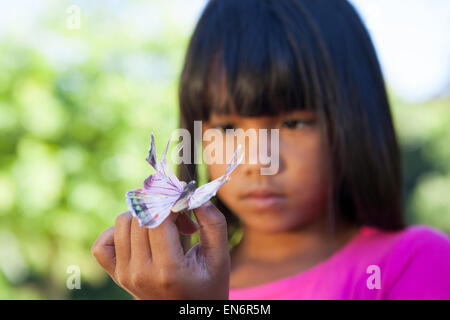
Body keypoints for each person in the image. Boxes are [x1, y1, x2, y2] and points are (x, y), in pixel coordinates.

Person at [91, 0, 450, 299]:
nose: (257, 162)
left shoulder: (415, 262)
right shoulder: (177, 284)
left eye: (293, 123)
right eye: (228, 128)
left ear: (354, 123)